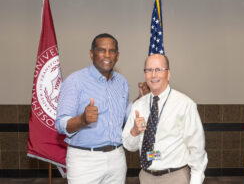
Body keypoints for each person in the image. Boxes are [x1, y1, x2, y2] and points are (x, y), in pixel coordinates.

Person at [122, 54, 208, 184]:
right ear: (145, 75)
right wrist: (134, 132)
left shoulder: (185, 104)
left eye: (159, 70)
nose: (153, 75)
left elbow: (197, 150)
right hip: (146, 177)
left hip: (175, 177)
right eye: (149, 70)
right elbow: (129, 146)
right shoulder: (138, 106)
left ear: (168, 74)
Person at [55, 33, 129, 184]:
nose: (107, 55)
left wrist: (141, 101)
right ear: (91, 54)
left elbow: (126, 117)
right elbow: (61, 124)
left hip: (117, 158)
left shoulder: (122, 82)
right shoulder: (75, 81)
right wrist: (82, 120)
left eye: (112, 51)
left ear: (117, 55)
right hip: (85, 161)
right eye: (102, 50)